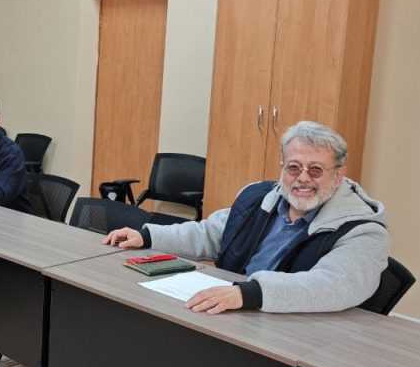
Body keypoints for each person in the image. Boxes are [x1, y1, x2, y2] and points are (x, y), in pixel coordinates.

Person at [104, 121, 389, 315]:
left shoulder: (363, 230)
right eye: (294, 167)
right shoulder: (259, 198)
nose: (303, 178)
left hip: (288, 333)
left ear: (338, 174)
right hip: (232, 313)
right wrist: (148, 236)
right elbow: (210, 235)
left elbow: (336, 285)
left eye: (315, 170)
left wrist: (250, 293)